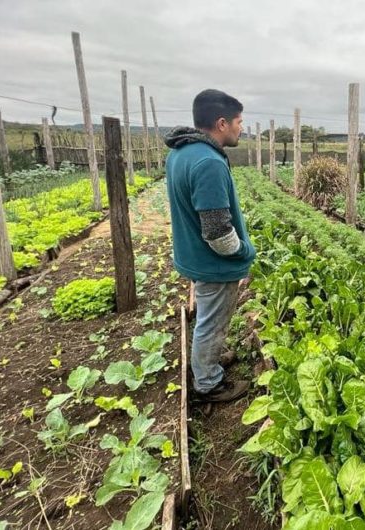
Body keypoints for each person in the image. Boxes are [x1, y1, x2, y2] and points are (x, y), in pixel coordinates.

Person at [164, 89, 255, 402]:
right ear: (221, 123)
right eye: (239, 122)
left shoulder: (180, 152)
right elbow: (218, 233)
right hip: (213, 264)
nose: (241, 127)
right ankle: (208, 384)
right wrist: (246, 252)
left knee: (207, 318)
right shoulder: (208, 163)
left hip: (194, 256)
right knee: (211, 324)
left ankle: (209, 360)